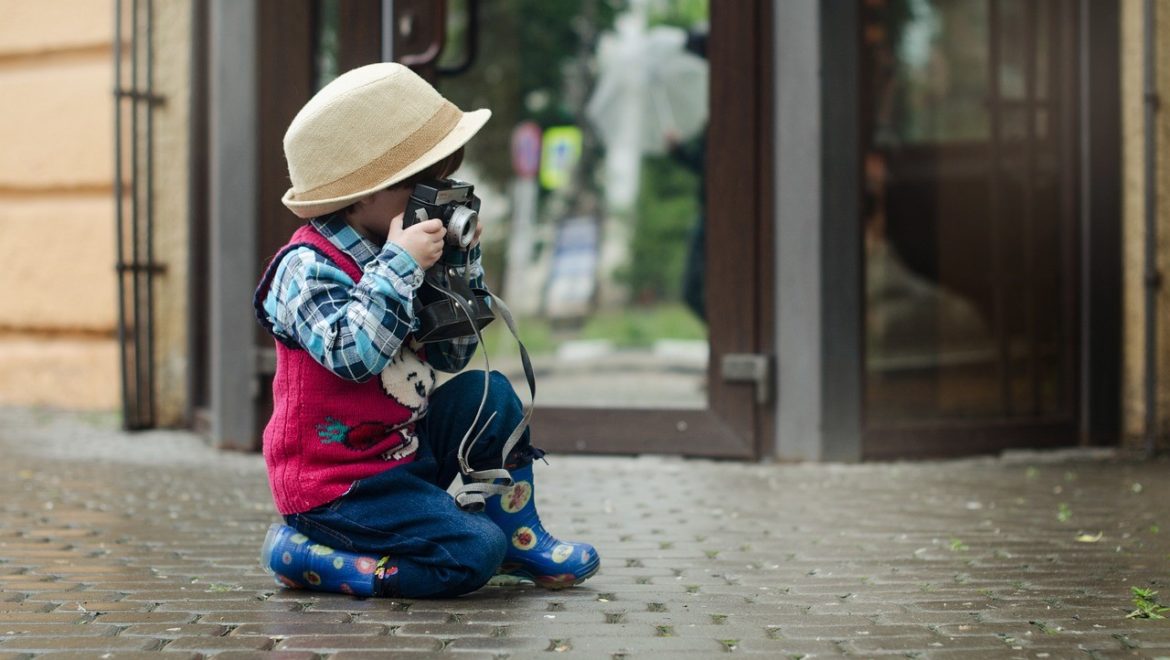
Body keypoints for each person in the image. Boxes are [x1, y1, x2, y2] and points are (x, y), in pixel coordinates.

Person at [253, 63, 599, 598]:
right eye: (424, 184)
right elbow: (354, 356)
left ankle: (517, 534)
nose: (434, 197)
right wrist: (400, 265)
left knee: (491, 393)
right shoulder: (306, 268)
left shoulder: (406, 253)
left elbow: (454, 356)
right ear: (363, 192)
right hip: (338, 488)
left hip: (403, 454)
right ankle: (311, 557)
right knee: (470, 552)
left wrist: (460, 265)